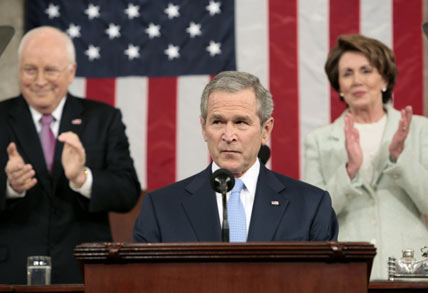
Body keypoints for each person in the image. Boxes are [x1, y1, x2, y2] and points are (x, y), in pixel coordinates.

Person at [0, 26, 141, 284]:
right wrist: (10, 186)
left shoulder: (104, 119)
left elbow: (127, 192)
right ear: (19, 70)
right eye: (30, 69)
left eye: (50, 70)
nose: (39, 80)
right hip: (11, 271)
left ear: (71, 72)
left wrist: (82, 178)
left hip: (84, 270)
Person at [134, 71, 338, 243]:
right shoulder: (161, 208)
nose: (229, 136)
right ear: (204, 129)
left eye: (241, 122)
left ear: (266, 130)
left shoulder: (310, 206)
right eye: (217, 122)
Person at [303, 34, 428, 280]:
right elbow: (312, 220)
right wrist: (350, 170)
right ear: (338, 85)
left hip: (410, 267)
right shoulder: (318, 141)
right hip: (345, 269)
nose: (357, 80)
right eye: (347, 74)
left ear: (384, 78)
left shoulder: (420, 130)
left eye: (366, 70)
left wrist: (398, 159)